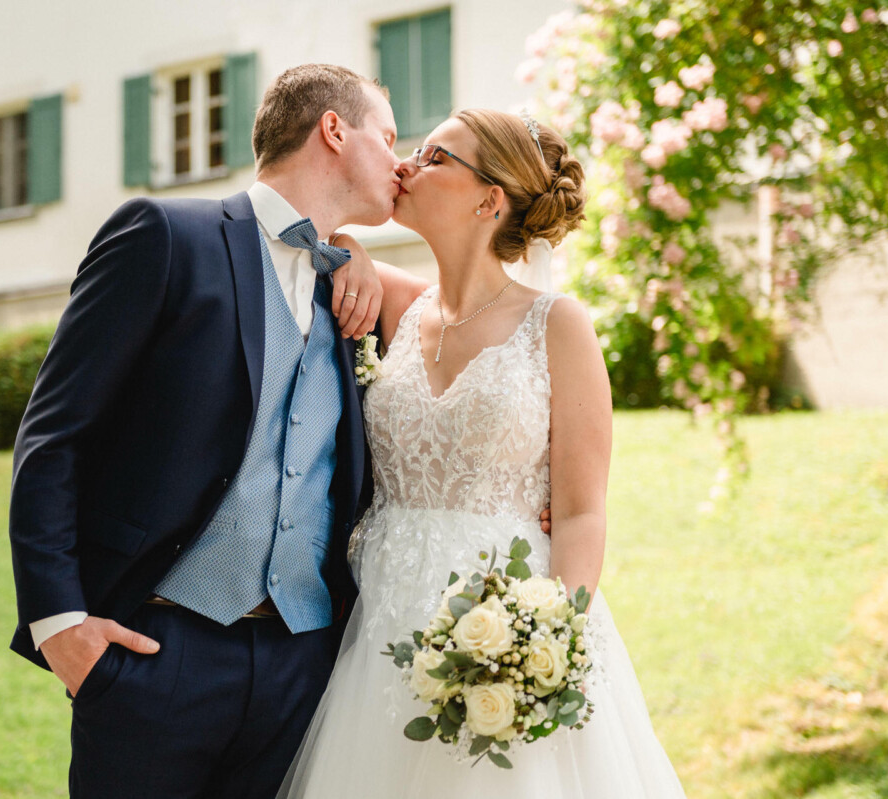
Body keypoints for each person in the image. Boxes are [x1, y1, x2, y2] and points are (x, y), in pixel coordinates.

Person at [7, 63, 401, 799]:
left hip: (302, 658)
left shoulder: (349, 285)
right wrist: (59, 623)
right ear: (334, 130)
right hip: (158, 651)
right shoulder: (165, 236)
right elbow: (54, 437)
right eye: (387, 137)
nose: (400, 161)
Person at [279, 109, 688, 797]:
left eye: (435, 156)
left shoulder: (559, 324)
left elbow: (584, 512)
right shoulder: (393, 307)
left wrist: (547, 639)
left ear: (488, 199)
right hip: (381, 632)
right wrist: (351, 245)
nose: (407, 165)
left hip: (508, 625)